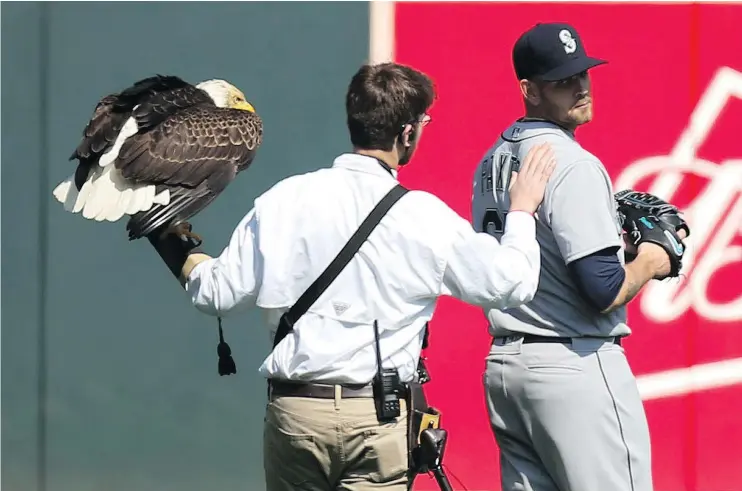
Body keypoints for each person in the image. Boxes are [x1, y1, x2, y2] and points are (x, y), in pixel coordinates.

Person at [150, 61, 555, 491]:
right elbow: (512, 282)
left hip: (296, 413)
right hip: (376, 419)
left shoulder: (285, 199)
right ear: (406, 133)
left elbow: (216, 294)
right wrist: (522, 211)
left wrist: (164, 236)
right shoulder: (422, 215)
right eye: (423, 122)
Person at [470, 22, 687, 491]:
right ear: (528, 89)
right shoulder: (572, 163)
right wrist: (651, 257)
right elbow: (602, 290)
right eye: (562, 80)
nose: (580, 87)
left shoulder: (492, 159)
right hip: (573, 366)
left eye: (582, 73)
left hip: (508, 374)